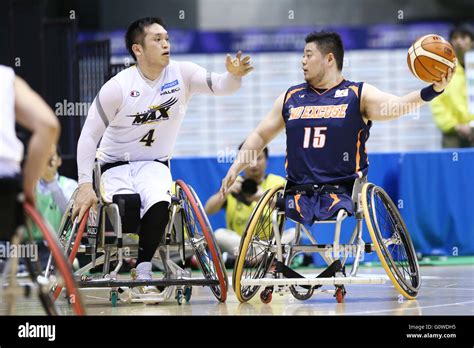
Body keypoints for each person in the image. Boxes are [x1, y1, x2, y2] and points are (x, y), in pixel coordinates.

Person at [72, 17, 253, 291]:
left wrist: (234, 76)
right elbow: (88, 136)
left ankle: (143, 269)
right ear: (138, 49)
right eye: (157, 39)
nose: (165, 43)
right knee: (128, 209)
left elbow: (222, 86)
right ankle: (128, 259)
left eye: (166, 38)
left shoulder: (183, 73)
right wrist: (85, 183)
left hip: (154, 163)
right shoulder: (118, 87)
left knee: (159, 201)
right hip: (114, 165)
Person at [220, 31, 453, 230]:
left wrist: (434, 90)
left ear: (329, 58)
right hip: (298, 192)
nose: (302, 61)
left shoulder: (357, 94)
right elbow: (260, 135)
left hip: (342, 190)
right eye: (302, 55)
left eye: (308, 55)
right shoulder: (291, 97)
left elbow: (398, 105)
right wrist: (235, 167)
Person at [0, 65, 60, 271]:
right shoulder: (6, 77)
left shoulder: (66, 185)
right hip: (5, 188)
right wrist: (26, 189)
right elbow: (48, 125)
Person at [205, 144, 287, 265]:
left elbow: (289, 210)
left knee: (292, 236)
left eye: (258, 158)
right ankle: (263, 260)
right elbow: (208, 210)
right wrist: (226, 191)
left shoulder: (278, 183)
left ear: (266, 160)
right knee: (219, 234)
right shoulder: (233, 183)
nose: (253, 164)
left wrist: (263, 197)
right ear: (241, 162)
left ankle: (241, 261)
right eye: (249, 160)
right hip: (240, 244)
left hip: (269, 243)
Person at [30, 144, 77, 268]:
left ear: (59, 161)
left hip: (58, 249)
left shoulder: (69, 185)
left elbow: (70, 214)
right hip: (29, 249)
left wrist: (51, 182)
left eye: (50, 156)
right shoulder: (29, 185)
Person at [431, 24, 474, 148]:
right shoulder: (442, 70)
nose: (459, 41)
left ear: (472, 41)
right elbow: (437, 103)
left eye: (464, 37)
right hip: (452, 133)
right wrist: (454, 126)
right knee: (452, 164)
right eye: (455, 38)